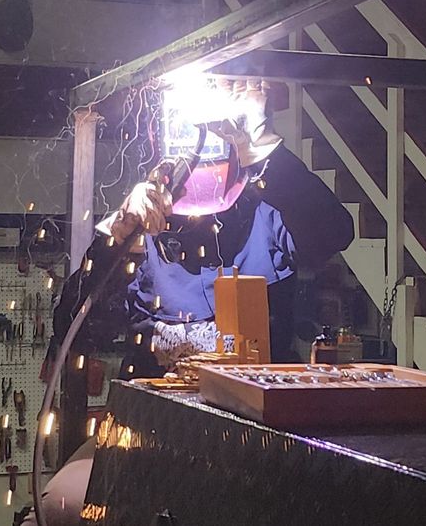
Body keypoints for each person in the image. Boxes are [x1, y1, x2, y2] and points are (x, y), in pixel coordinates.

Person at [25, 80, 353, 525]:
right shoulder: (143, 236)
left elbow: (334, 229)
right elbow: (73, 331)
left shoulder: (266, 217)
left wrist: (262, 148)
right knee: (60, 508)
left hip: (252, 439)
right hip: (147, 433)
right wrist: (115, 236)